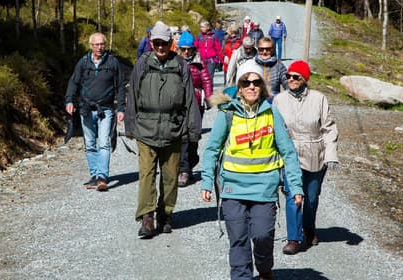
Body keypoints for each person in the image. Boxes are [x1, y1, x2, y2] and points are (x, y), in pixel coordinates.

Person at [200, 60, 304, 280]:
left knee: (262, 236)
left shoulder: (271, 113)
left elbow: (288, 152)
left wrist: (296, 187)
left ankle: (264, 269)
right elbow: (212, 149)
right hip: (232, 189)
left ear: (262, 86)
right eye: (246, 82)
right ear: (239, 87)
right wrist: (207, 181)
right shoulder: (227, 114)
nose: (251, 86)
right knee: (238, 240)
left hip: (264, 189)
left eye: (256, 82)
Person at [125, 21, 200, 239]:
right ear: (151, 42)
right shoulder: (142, 63)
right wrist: (130, 125)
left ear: (170, 43)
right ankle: (147, 217)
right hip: (145, 130)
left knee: (170, 177)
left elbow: (189, 99)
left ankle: (165, 214)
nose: (160, 47)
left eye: (164, 43)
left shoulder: (180, 65)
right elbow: (132, 96)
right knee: (146, 175)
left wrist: (193, 131)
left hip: (173, 129)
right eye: (156, 42)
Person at [272, 60, 339, 255]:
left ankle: (309, 229)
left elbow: (329, 128)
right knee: (293, 196)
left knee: (311, 198)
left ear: (304, 79)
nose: (291, 80)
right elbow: (273, 129)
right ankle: (293, 238)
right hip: (289, 154)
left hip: (315, 154)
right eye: (288, 76)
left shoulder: (319, 99)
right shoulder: (279, 100)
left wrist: (331, 154)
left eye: (296, 77)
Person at [64, 32, 126, 191]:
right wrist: (69, 100)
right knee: (90, 144)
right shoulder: (83, 63)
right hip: (86, 109)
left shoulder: (112, 62)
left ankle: (102, 177)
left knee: (104, 143)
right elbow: (73, 82)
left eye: (102, 44)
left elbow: (120, 86)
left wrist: (120, 108)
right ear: (91, 46)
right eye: (96, 44)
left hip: (106, 109)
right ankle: (94, 175)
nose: (99, 47)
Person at [176, 32, 213, 187]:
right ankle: (183, 169)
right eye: (183, 49)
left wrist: (209, 98)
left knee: (193, 136)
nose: (186, 52)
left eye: (189, 49)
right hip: (178, 104)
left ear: (193, 49)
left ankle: (190, 163)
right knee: (182, 136)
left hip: (197, 104)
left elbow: (206, 80)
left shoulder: (199, 63)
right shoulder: (174, 62)